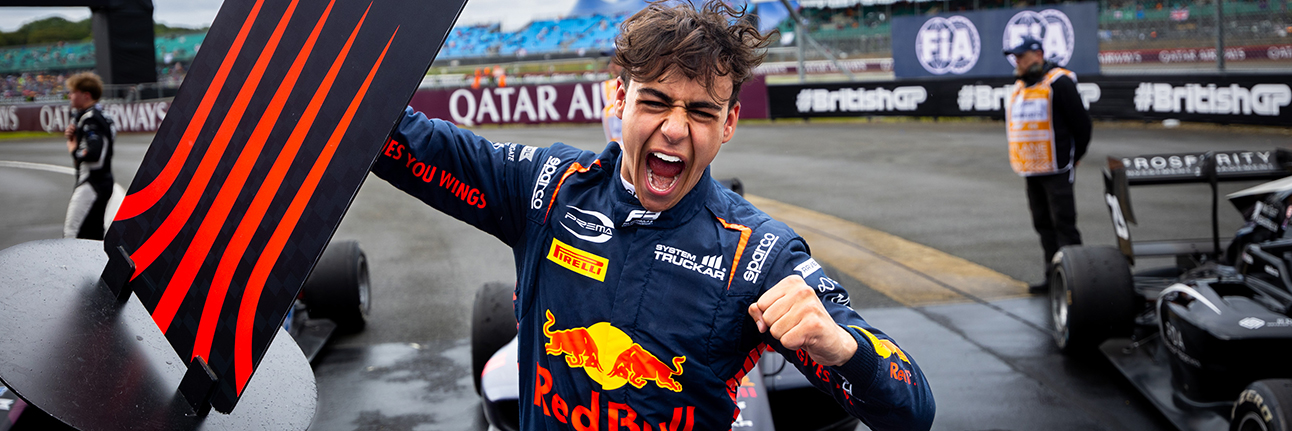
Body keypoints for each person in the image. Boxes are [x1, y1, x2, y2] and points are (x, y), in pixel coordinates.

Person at [373, 2, 935, 429]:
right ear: (620, 99)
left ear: (729, 123)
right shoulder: (546, 186)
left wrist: (844, 346)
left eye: (700, 110)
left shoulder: (759, 253)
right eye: (656, 101)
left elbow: (912, 411)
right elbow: (402, 139)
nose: (674, 128)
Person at [1002, 36, 1092, 294]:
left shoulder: (1059, 82)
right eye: (1015, 57)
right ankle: (1053, 277)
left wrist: (1075, 156)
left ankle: (1078, 281)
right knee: (1043, 224)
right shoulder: (1021, 85)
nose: (1017, 61)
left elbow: (1082, 124)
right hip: (1031, 169)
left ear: (1038, 55)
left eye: (1021, 56)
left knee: (1064, 225)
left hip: (1057, 167)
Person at [62, 71, 116, 240]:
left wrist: (73, 148)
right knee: (93, 236)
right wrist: (76, 135)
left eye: (73, 92)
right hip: (101, 181)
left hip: (92, 182)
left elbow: (94, 153)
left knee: (72, 235)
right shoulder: (102, 117)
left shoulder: (91, 118)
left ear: (86, 95)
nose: (69, 96)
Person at [601, 57, 623, 143]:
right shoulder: (607, 86)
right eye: (610, 63)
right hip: (615, 146)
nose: (611, 66)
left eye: (616, 63)